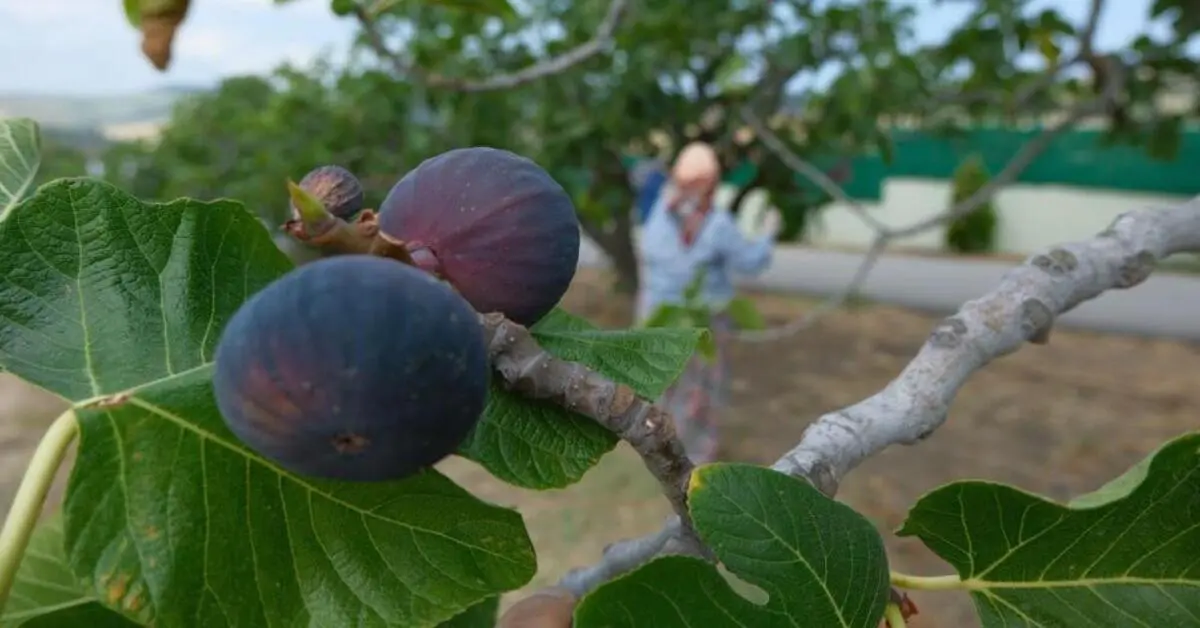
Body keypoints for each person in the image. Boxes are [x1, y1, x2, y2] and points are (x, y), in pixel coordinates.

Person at [635, 141, 782, 464]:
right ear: (713, 183)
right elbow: (751, 261)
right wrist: (770, 231)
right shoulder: (716, 225)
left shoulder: (656, 211)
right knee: (700, 392)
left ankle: (658, 448)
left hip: (656, 320)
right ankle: (692, 458)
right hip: (702, 326)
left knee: (663, 386)